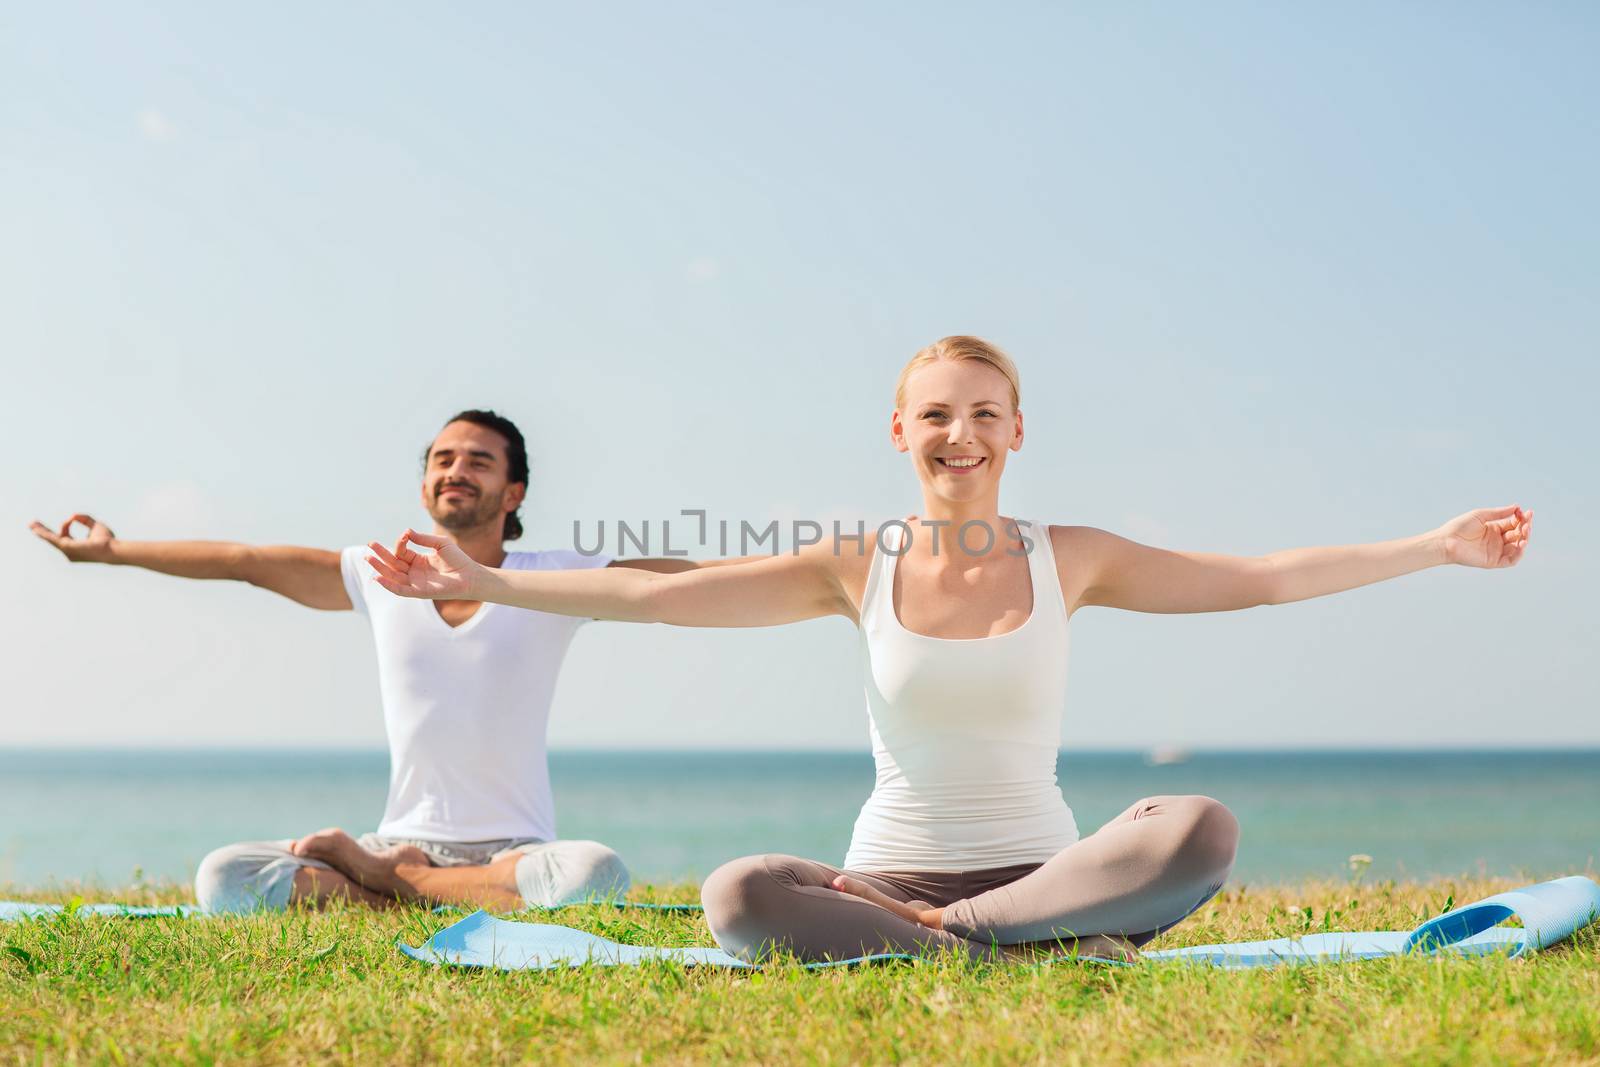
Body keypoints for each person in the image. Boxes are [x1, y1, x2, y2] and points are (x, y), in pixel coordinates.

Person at [359, 339, 1533, 961]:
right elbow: (669, 597)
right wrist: (488, 576)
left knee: (1199, 826)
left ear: (1015, 431)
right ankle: (988, 944)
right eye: (934, 412)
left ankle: (966, 941)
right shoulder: (852, 562)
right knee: (740, 893)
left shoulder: (1071, 555)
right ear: (899, 431)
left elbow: (1265, 578)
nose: (958, 433)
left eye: (983, 412)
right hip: (888, 881)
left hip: (1046, 872)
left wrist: (1431, 546)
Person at [29, 409, 717, 914]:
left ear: (513, 495)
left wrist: (815, 570)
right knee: (224, 875)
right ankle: (413, 883)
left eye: (478, 459)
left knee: (594, 872)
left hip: (515, 854)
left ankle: (391, 889)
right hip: (397, 840)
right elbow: (247, 562)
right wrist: (116, 553)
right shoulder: (379, 575)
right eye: (443, 458)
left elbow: (673, 587)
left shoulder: (553, 576)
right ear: (424, 488)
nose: (455, 469)